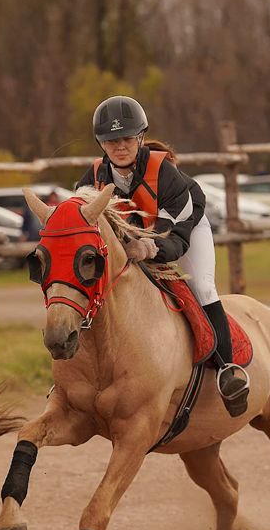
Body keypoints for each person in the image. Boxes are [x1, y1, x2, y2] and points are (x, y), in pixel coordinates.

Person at [78, 95, 249, 417]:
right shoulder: (93, 179)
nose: (120, 147)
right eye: (110, 141)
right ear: (101, 143)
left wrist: (150, 248)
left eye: (127, 139)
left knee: (202, 286)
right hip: (134, 238)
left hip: (182, 229)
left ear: (140, 137)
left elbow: (174, 237)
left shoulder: (167, 175)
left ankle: (228, 368)